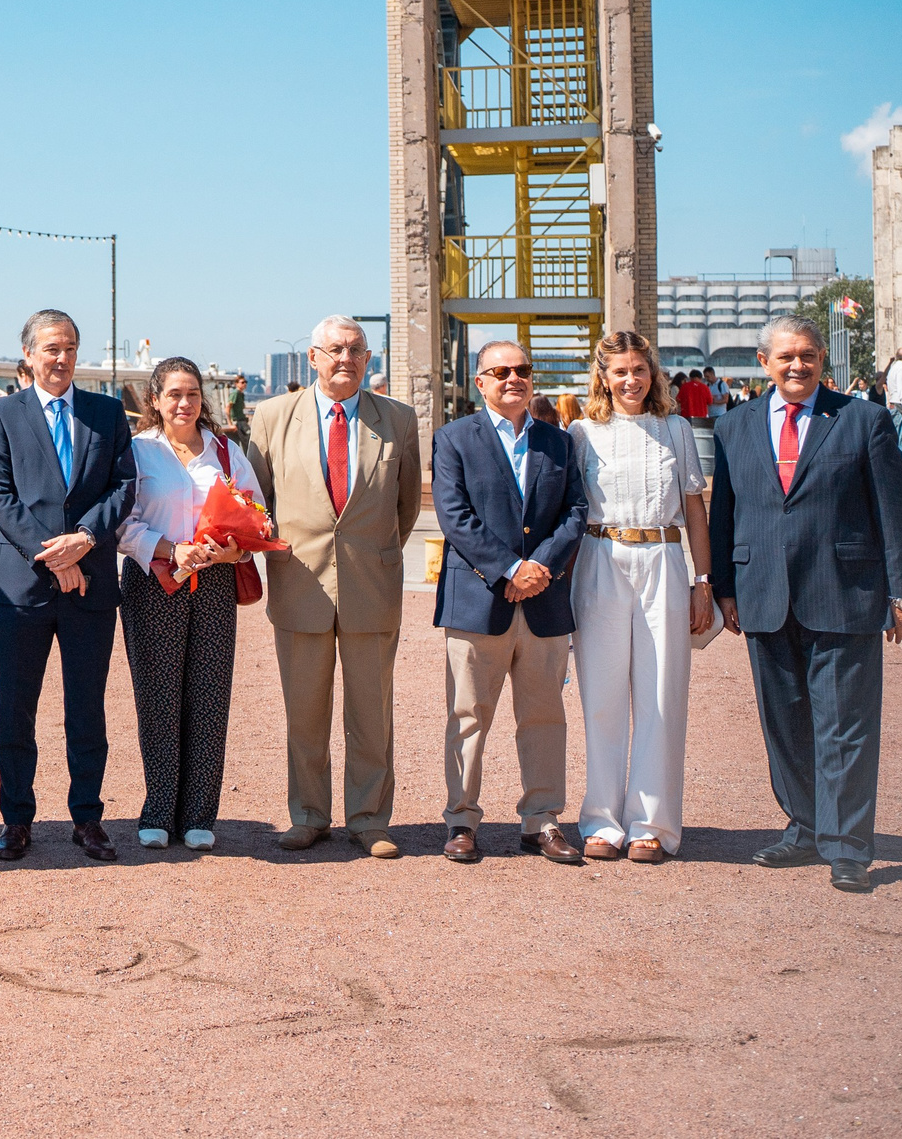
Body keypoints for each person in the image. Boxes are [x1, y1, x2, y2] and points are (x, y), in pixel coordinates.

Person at [709, 315, 902, 894]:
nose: (797, 365)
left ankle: (847, 846)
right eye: (786, 357)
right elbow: (725, 512)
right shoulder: (734, 426)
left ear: (823, 359)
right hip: (762, 595)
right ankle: (804, 827)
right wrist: (724, 588)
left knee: (845, 726)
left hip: (845, 594)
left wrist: (901, 593)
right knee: (785, 725)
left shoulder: (864, 420)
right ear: (764, 364)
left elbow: (895, 514)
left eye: (807, 355)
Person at [242, 315, 422, 859]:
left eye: (356, 350)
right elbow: (256, 503)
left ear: (368, 358)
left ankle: (370, 820)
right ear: (314, 357)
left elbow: (406, 506)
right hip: (300, 584)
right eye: (336, 349)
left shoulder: (398, 419)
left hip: (372, 586)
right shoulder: (272, 417)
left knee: (372, 715)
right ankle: (308, 815)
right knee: (304, 714)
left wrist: (371, 551)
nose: (346, 358)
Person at [0, 310, 135, 862]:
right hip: (22, 588)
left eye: (69, 347)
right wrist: (55, 556)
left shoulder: (106, 412)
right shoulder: (3, 413)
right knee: (15, 710)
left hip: (90, 587)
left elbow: (124, 486)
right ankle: (16, 819)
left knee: (87, 710)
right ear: (28, 354)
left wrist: (84, 540)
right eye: (51, 348)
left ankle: (87, 818)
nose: (62, 357)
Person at [430, 339, 588, 865]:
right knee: (468, 715)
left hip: (544, 600)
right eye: (500, 371)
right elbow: (454, 515)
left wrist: (539, 566)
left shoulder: (558, 442)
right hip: (478, 600)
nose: (513, 378)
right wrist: (510, 569)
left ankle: (542, 820)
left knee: (544, 715)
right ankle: (461, 820)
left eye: (521, 369)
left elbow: (576, 511)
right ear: (480, 382)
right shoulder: (454, 438)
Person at [566, 331, 713, 863]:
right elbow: (570, 510)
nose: (631, 380)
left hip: (664, 559)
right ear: (603, 377)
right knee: (601, 697)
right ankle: (602, 821)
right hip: (599, 557)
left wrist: (703, 581)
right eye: (620, 371)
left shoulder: (676, 428)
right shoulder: (582, 432)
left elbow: (694, 509)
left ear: (653, 373)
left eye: (639, 369)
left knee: (661, 694)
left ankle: (651, 823)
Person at [113, 357, 253, 853]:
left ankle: (198, 814)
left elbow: (256, 514)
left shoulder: (227, 452)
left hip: (214, 584)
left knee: (209, 697)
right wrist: (171, 549)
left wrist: (235, 550)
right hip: (154, 582)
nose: (184, 403)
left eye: (192, 393)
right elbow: (121, 523)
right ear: (155, 399)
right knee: (158, 698)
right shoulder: (137, 452)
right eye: (174, 394)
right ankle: (157, 810)